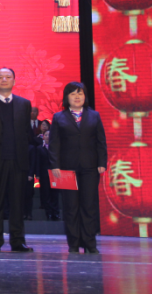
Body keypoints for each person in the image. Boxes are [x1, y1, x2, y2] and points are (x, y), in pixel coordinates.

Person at [0, 67, 34, 252]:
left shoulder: (24, 104)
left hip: (18, 160)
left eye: (8, 77)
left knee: (17, 203)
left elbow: (26, 132)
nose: (4, 79)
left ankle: (18, 241)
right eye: (0, 77)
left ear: (14, 81)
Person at [49, 82, 107, 254]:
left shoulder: (94, 115)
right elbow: (54, 144)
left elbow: (101, 141)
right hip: (66, 169)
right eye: (73, 94)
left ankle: (90, 242)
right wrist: (55, 165)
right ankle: (73, 243)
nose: (77, 97)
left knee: (89, 206)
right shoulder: (58, 117)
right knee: (70, 207)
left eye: (80, 93)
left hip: (90, 167)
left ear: (85, 96)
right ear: (67, 97)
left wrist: (102, 162)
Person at [37, 129, 60, 221]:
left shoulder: (56, 148)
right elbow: (38, 162)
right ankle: (49, 213)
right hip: (44, 174)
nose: (48, 136)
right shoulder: (39, 148)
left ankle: (56, 213)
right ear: (43, 137)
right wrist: (37, 174)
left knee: (55, 194)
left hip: (54, 174)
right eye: (46, 135)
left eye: (50, 135)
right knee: (46, 194)